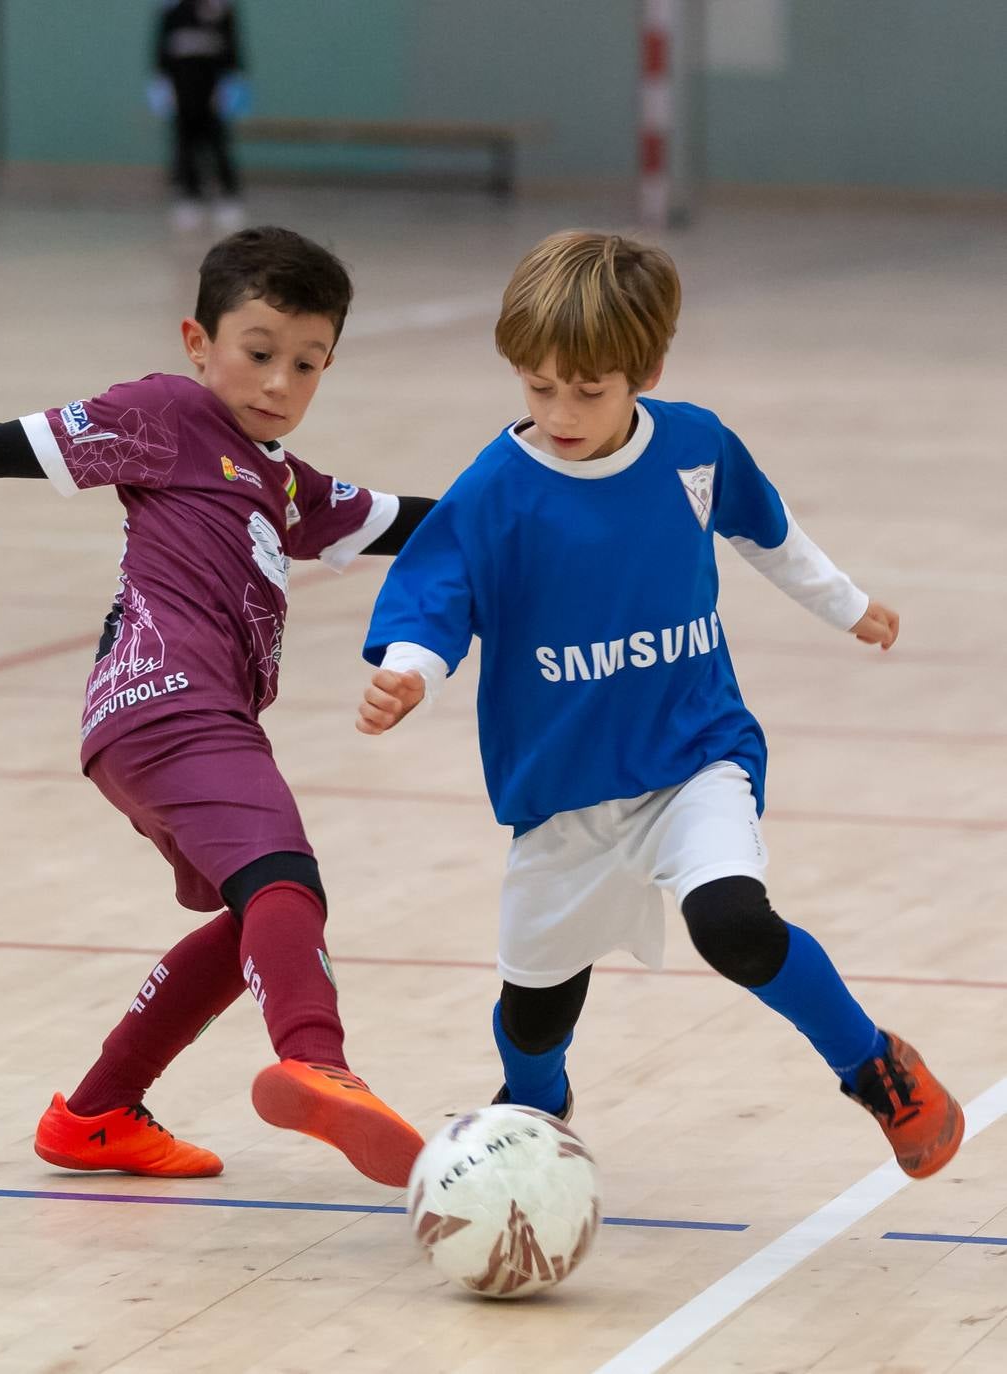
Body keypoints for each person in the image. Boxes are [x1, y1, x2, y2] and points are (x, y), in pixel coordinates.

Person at [0, 225, 434, 1189]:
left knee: (255, 914)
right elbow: (6, 444)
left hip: (153, 726)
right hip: (173, 705)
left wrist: (541, 513)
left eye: (307, 363)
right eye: (257, 352)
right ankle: (316, 1060)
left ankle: (96, 1113)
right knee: (289, 881)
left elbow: (415, 523)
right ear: (197, 344)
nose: (278, 382)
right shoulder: (163, 413)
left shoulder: (283, 482)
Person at [356, 230, 964, 1180]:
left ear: (644, 370)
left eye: (588, 389)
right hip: (563, 790)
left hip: (694, 754)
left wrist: (847, 604)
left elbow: (768, 530)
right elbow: (434, 606)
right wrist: (409, 673)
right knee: (535, 1009)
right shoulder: (492, 495)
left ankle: (873, 1066)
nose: (560, 409)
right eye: (538, 385)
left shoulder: (693, 445)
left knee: (732, 922)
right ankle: (536, 1107)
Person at [152, 0, 248, 232]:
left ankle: (227, 196)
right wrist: (162, 83)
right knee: (185, 144)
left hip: (214, 92)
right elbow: (160, 50)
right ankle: (188, 196)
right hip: (182, 91)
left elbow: (234, 50)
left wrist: (233, 83)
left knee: (217, 143)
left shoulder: (222, 9)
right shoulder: (171, 10)